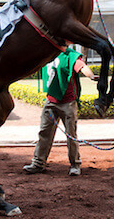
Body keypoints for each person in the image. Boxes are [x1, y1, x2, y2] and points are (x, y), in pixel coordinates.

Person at [23, 48, 97, 176]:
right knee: (44, 133)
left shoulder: (71, 56)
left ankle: (75, 165)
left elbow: (82, 67)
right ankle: (38, 163)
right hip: (51, 101)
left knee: (71, 135)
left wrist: (91, 76)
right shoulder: (47, 53)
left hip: (68, 103)